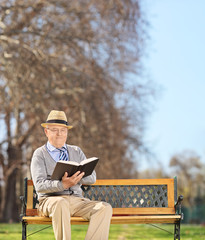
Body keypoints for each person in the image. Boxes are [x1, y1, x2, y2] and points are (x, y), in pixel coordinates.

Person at [31, 110, 112, 240]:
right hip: (50, 202)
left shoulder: (76, 151)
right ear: (46, 132)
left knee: (104, 208)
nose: (59, 134)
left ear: (67, 132)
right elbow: (40, 185)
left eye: (63, 130)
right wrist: (62, 184)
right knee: (61, 203)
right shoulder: (39, 154)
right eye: (54, 130)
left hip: (77, 201)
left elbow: (92, 178)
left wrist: (77, 177)